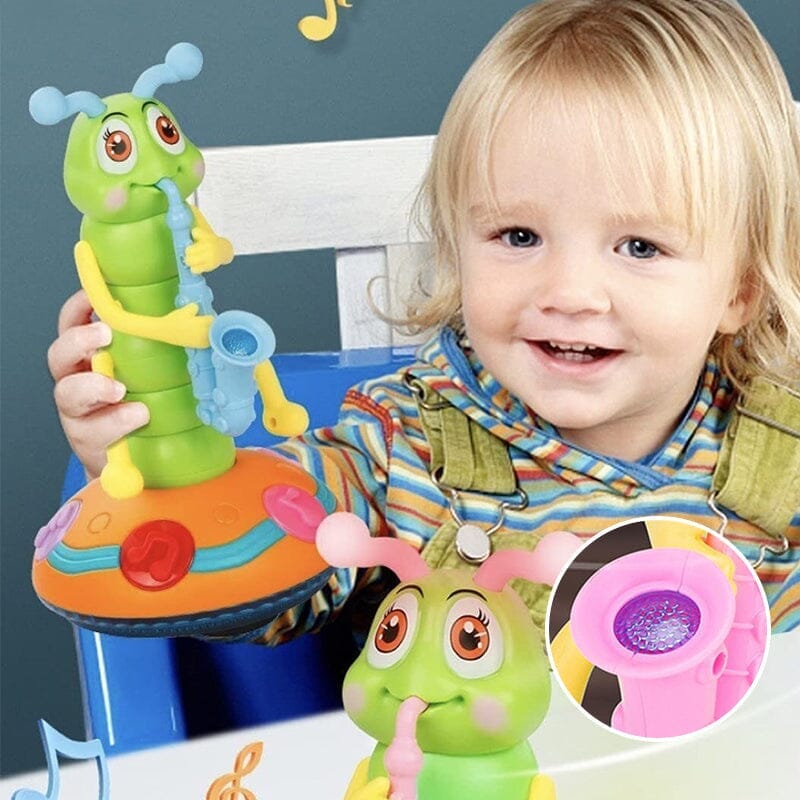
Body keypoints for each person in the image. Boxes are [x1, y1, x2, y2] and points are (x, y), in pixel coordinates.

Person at [47, 0, 799, 644]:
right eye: (518, 236)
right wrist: (155, 470)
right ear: (456, 245)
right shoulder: (396, 448)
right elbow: (254, 580)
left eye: (640, 247)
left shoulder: (783, 443)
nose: (570, 292)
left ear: (739, 288)